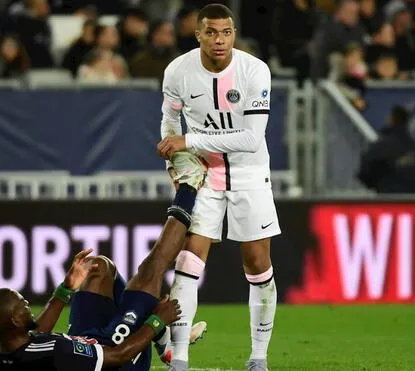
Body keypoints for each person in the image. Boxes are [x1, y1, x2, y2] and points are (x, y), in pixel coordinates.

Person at [0, 151, 208, 371]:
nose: (27, 304)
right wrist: (157, 321)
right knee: (151, 269)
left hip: (86, 348)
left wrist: (66, 289)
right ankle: (190, 185)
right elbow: (119, 355)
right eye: (22, 305)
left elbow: (35, 334)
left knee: (98, 267)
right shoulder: (56, 352)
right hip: (118, 358)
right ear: (14, 321)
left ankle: (160, 336)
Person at [156, 4, 279, 371]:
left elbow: (252, 138)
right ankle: (179, 359)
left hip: (249, 175)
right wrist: (175, 165)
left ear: (234, 34)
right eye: (211, 32)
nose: (219, 40)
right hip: (204, 177)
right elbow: (168, 124)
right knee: (188, 262)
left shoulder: (254, 71)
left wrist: (188, 142)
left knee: (258, 265)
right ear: (198, 34)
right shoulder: (178, 71)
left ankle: (258, 357)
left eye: (226, 32)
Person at [357, 105, 415, 194]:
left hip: (388, 201)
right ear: (407, 122)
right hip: (414, 202)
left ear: (391, 120)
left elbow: (364, 174)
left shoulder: (379, 148)